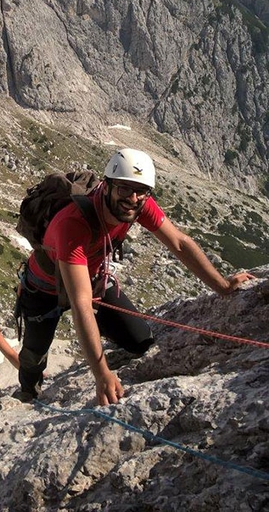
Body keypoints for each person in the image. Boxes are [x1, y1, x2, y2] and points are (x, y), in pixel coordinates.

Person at [15, 148, 255, 406]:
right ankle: (28, 393)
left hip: (92, 278)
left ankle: (99, 342)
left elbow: (180, 243)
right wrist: (102, 374)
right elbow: (81, 303)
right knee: (35, 352)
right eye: (124, 189)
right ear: (106, 187)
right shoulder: (72, 224)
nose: (133, 198)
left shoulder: (138, 205)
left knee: (140, 341)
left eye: (141, 191)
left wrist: (224, 285)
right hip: (43, 288)